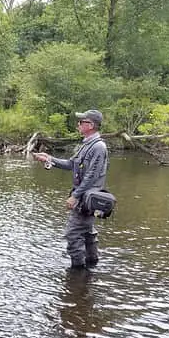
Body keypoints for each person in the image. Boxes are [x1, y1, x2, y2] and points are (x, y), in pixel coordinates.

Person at [33, 110, 109, 269]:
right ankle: (91, 267)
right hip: (85, 197)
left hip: (86, 199)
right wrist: (49, 159)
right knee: (87, 231)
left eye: (81, 122)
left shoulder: (98, 147)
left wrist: (75, 196)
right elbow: (70, 164)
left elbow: (92, 176)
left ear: (91, 125)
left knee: (73, 234)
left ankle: (78, 273)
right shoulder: (86, 144)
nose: (78, 125)